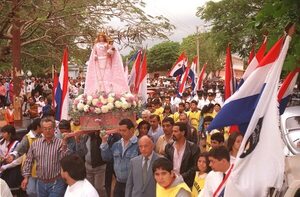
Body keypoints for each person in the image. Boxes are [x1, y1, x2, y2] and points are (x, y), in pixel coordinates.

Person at [22, 116, 70, 197]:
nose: (47, 131)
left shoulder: (61, 143)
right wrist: (26, 177)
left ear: (54, 129)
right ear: (41, 129)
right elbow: (28, 161)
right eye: (45, 128)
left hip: (57, 182)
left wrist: (64, 144)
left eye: (50, 128)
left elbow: (65, 161)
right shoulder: (35, 144)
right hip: (40, 182)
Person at [100, 119, 139, 197]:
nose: (121, 133)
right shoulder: (116, 145)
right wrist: (104, 142)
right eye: (120, 130)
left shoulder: (139, 145)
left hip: (133, 184)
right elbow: (107, 158)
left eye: (124, 130)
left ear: (132, 130)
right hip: (119, 183)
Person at [7, 118, 42, 197]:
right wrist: (13, 156)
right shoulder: (28, 138)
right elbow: (19, 149)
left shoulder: (44, 136)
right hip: (31, 170)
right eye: (43, 127)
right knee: (31, 191)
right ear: (38, 127)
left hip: (44, 170)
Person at [165, 122, 200, 188]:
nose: (173, 134)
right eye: (172, 131)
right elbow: (165, 163)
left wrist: (181, 177)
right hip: (171, 181)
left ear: (183, 132)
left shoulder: (193, 148)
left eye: (175, 131)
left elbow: (195, 167)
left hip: (187, 183)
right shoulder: (168, 147)